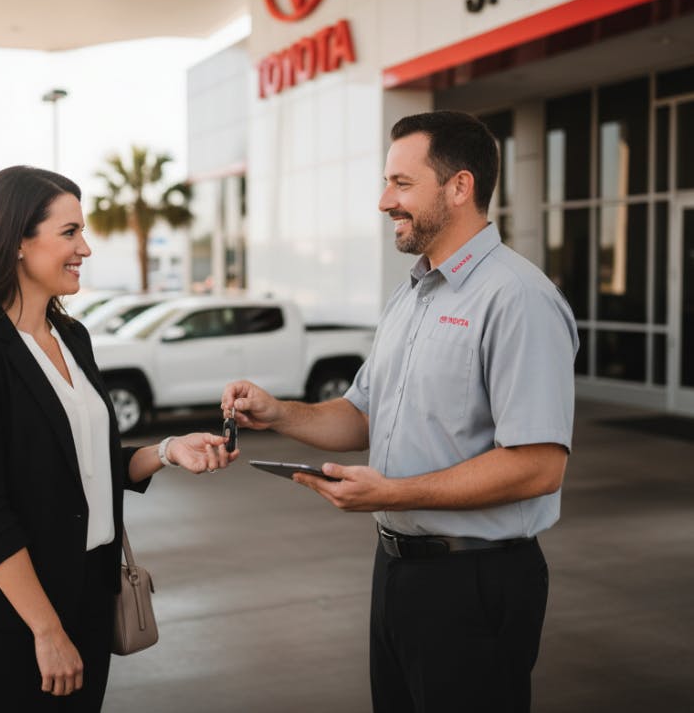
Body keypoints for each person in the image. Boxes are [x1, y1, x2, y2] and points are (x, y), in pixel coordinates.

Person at [222, 111, 578, 713]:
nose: (385, 201)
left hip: (477, 581)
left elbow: (539, 467)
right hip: (396, 572)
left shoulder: (518, 298)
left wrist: (393, 491)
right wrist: (278, 412)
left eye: (402, 184)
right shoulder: (411, 293)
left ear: (459, 187)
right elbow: (361, 415)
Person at [0, 165, 237, 712]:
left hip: (90, 600)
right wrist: (47, 632)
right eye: (70, 232)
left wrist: (166, 451)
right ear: (17, 241)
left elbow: (84, 466)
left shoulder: (72, 335)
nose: (85, 248)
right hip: (14, 622)